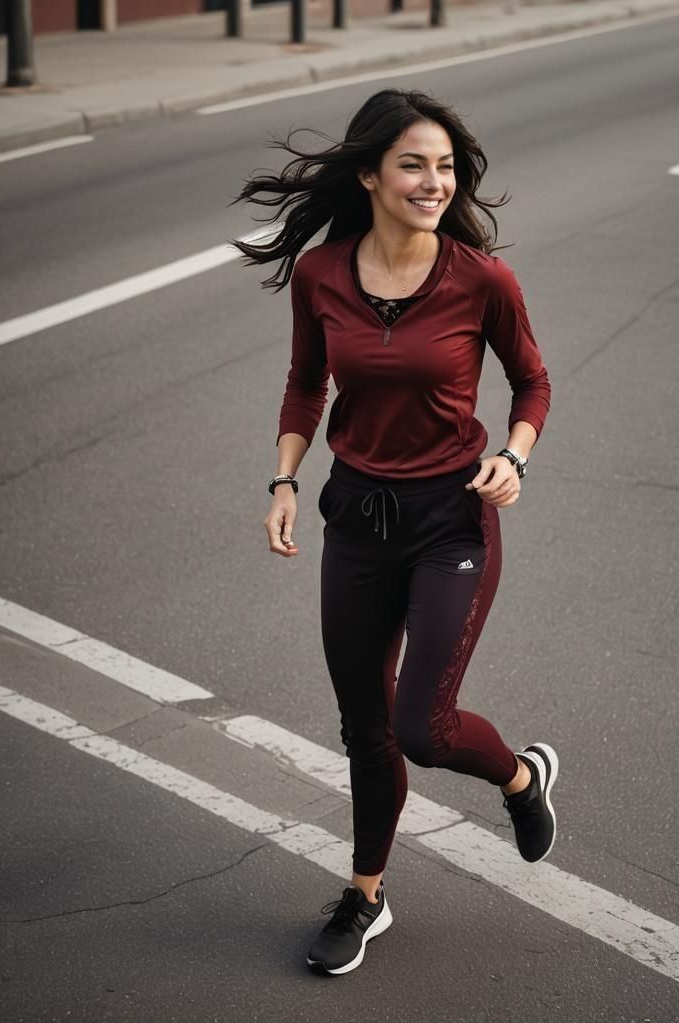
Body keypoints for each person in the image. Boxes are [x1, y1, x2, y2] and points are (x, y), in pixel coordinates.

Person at [233, 87, 557, 976]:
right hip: (357, 522)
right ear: (370, 173)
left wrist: (516, 458)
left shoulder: (481, 279)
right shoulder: (322, 273)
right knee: (364, 728)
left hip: (453, 520)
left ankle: (522, 778)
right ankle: (366, 894)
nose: (434, 181)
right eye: (414, 163)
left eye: (446, 166)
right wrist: (285, 480)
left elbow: (532, 383)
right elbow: (307, 384)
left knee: (425, 726)